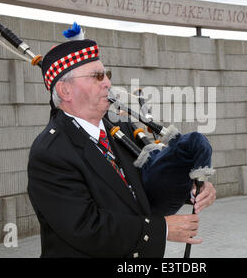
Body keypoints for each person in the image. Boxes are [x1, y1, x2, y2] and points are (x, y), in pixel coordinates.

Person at [27, 38, 216, 258]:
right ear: (65, 91)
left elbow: (145, 185)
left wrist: (191, 189)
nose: (107, 83)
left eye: (107, 74)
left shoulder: (121, 129)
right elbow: (85, 228)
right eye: (97, 76)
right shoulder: (50, 153)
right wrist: (161, 230)